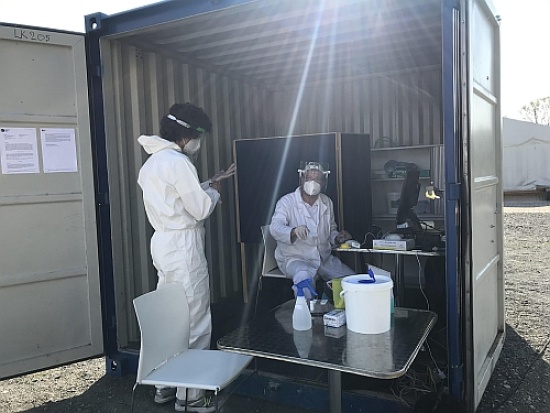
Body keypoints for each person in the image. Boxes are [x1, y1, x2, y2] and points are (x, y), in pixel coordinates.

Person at [137, 102, 235, 413]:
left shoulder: (153, 163)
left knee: (171, 317)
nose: (198, 143)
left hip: (163, 244)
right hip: (184, 248)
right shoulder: (179, 163)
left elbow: (177, 199)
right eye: (198, 136)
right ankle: (193, 396)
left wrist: (208, 182)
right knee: (195, 319)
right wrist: (216, 189)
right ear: (187, 135)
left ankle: (165, 387)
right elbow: (200, 209)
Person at [269, 162, 355, 296]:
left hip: (323, 259)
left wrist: (337, 237)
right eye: (309, 178)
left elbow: (331, 229)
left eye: (317, 179)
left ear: (324, 181)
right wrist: (293, 231)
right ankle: (307, 314)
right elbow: (275, 228)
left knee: (352, 281)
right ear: (302, 179)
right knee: (304, 281)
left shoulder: (327, 202)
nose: (312, 182)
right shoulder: (287, 202)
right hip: (296, 259)